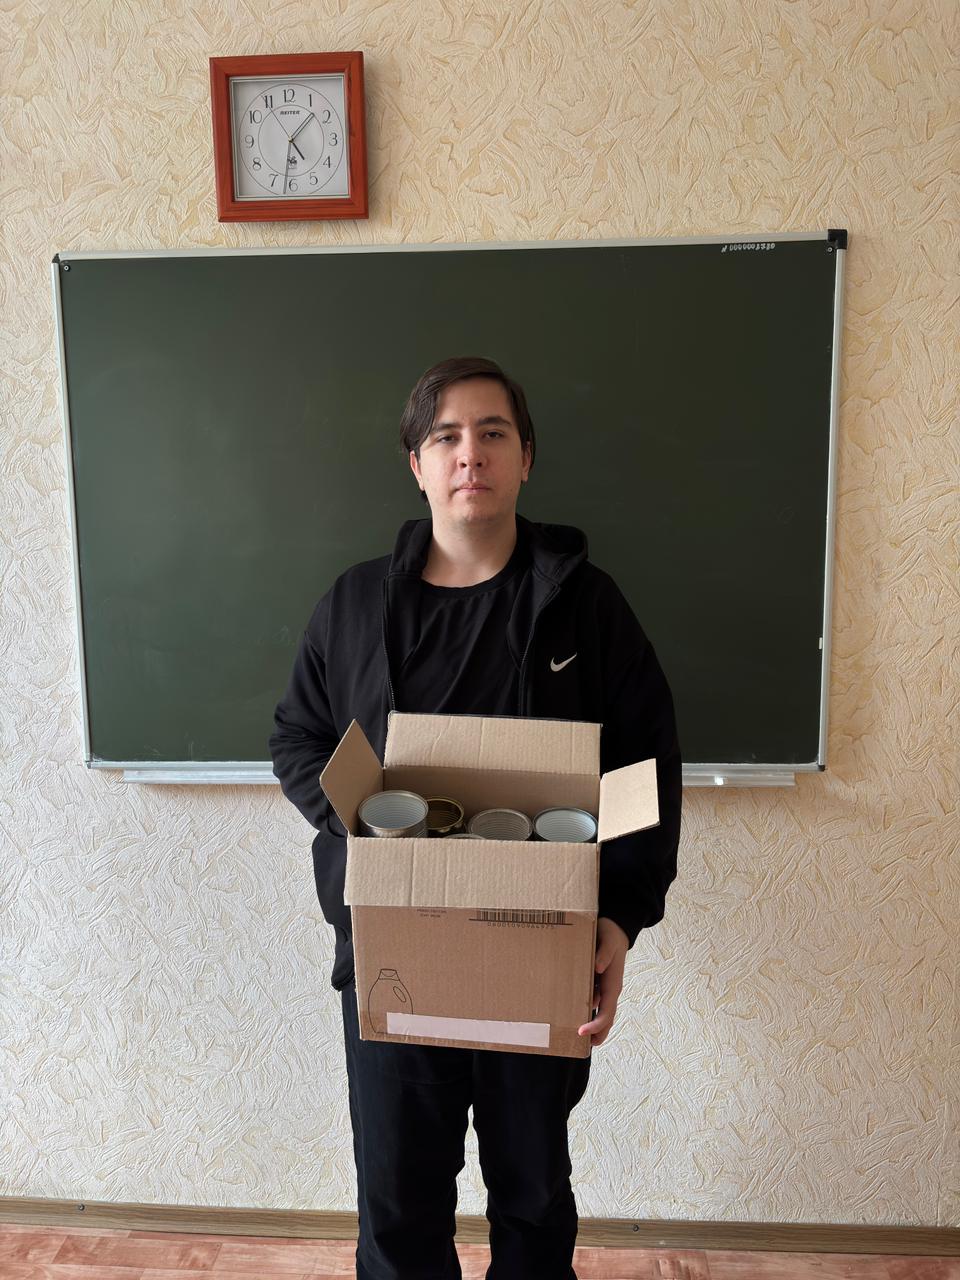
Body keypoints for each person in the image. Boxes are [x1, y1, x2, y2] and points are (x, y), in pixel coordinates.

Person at [269, 355, 682, 1280]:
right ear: (416, 463)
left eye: (493, 433)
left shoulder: (586, 607)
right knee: (397, 1207)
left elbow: (644, 767)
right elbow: (296, 734)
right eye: (446, 436)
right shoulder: (354, 605)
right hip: (393, 955)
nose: (470, 454)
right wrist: (353, 820)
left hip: (537, 953)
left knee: (533, 1201)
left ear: (525, 457)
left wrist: (621, 917)